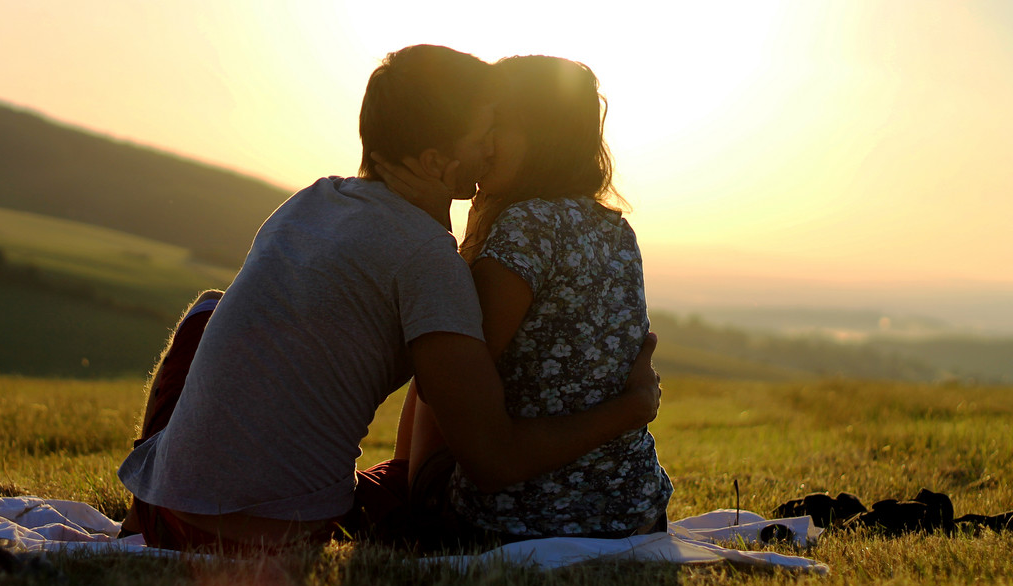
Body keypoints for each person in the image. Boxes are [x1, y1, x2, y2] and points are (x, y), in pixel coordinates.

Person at [116, 45, 663, 551]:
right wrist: (633, 409)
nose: (490, 147)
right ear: (435, 162)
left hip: (171, 513)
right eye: (483, 132)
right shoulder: (434, 261)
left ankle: (142, 512)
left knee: (208, 312)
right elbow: (487, 452)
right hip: (270, 534)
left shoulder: (309, 201)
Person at [382, 55, 672, 541]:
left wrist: (465, 241)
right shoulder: (617, 229)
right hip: (635, 510)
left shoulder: (525, 228)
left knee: (441, 353)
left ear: (542, 136)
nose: (483, 144)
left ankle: (411, 500)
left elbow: (447, 383)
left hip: (522, 520)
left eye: (497, 125)